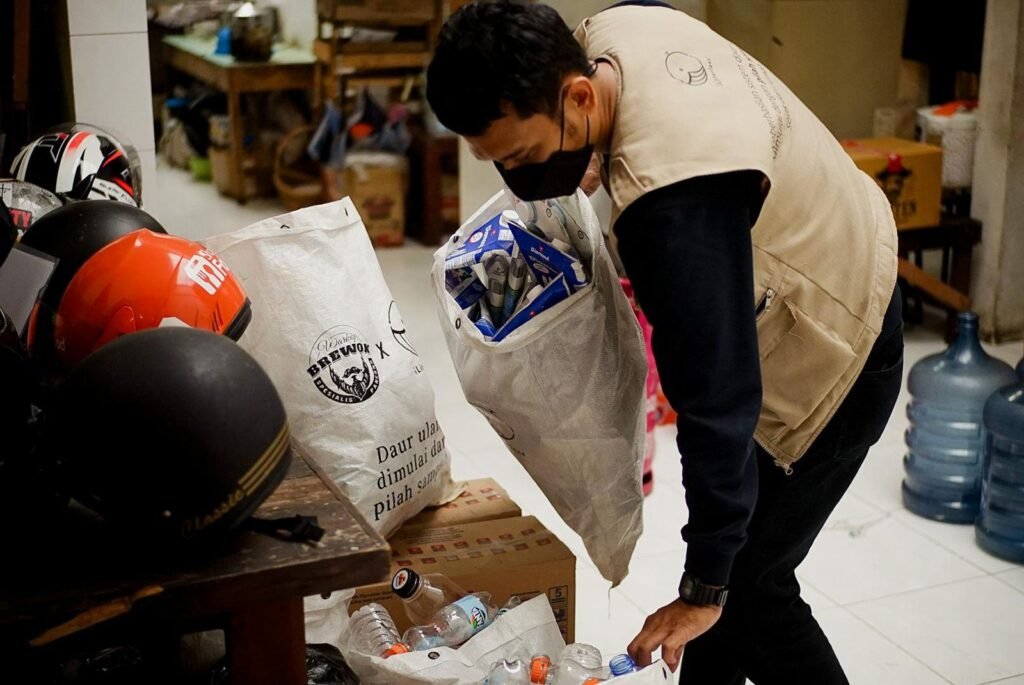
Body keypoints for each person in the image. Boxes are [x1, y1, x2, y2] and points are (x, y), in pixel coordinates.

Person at [426, 2, 904, 682]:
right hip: (833, 245)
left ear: (579, 96)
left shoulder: (671, 209)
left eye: (525, 155)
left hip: (840, 347)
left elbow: (717, 401)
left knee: (750, 588)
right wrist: (588, 150)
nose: (516, 176)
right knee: (726, 585)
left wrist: (704, 584)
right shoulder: (615, 29)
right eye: (496, 160)